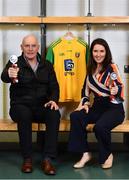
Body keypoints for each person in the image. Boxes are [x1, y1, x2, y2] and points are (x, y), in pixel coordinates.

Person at [1, 34, 61, 175]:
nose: (30, 49)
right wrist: (9, 74)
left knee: (54, 114)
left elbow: (54, 86)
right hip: (19, 105)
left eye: (33, 45)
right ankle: (27, 159)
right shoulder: (15, 63)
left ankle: (48, 159)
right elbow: (4, 77)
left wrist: (53, 100)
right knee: (24, 114)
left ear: (38, 47)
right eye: (27, 46)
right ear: (21, 47)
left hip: (41, 106)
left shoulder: (47, 65)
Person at [68, 38, 125, 169]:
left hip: (114, 108)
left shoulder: (112, 67)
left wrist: (116, 90)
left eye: (101, 51)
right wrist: (86, 103)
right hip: (97, 107)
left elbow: (119, 87)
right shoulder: (90, 70)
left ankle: (107, 155)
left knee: (99, 127)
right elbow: (85, 90)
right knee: (75, 116)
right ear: (92, 52)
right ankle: (85, 153)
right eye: (95, 51)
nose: (98, 54)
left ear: (106, 52)